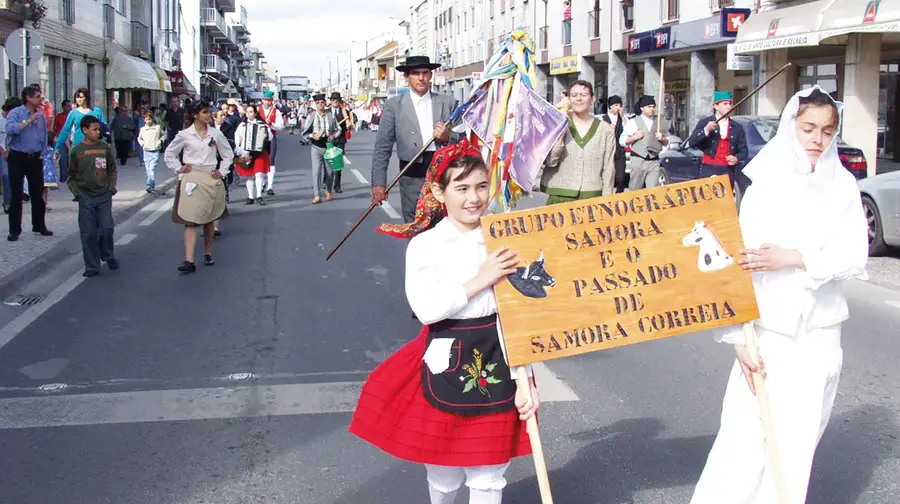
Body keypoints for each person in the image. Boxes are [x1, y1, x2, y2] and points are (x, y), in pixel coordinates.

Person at [689, 87, 868, 504]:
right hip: (766, 332)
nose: (816, 140)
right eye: (808, 128)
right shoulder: (766, 183)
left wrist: (796, 257)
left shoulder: (842, 184)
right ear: (792, 127)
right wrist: (736, 337)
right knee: (745, 437)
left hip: (818, 334)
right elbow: (735, 264)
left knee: (797, 442)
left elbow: (853, 256)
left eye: (826, 130)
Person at [349, 141, 539, 504]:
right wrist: (481, 278)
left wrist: (529, 378)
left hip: (501, 358)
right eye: (462, 188)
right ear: (439, 191)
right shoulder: (426, 245)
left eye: (482, 186)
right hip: (445, 359)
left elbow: (523, 314)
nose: (474, 198)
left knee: (488, 475)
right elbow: (427, 308)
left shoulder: (504, 238)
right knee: (443, 471)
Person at [370, 55, 459, 223]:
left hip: (444, 176)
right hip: (411, 176)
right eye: (415, 73)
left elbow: (464, 141)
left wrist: (448, 137)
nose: (421, 78)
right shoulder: (393, 106)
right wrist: (378, 184)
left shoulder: (448, 103)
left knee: (446, 227)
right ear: (406, 76)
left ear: (430, 75)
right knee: (415, 226)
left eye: (425, 73)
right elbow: (382, 147)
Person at [164, 101, 234, 274]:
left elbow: (228, 155)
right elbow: (169, 154)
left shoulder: (215, 134)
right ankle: (189, 260)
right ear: (195, 115)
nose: (208, 115)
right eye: (204, 113)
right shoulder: (184, 135)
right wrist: (179, 168)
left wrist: (221, 171)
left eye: (209, 112)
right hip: (192, 179)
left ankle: (208, 253)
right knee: (190, 220)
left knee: (209, 218)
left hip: (210, 177)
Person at [541, 80, 617, 204]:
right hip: (560, 195)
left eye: (583, 95)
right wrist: (561, 131)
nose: (579, 99)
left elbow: (608, 168)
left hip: (592, 196)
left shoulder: (606, 130)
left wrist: (607, 199)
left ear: (592, 99)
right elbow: (551, 161)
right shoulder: (557, 125)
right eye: (574, 95)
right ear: (569, 99)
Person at [67, 115, 119, 277]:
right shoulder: (77, 151)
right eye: (94, 129)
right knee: (88, 233)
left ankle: (107, 254)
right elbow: (71, 176)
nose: (98, 132)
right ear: (84, 130)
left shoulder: (104, 148)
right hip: (86, 196)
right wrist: (78, 193)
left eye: (98, 129)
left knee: (106, 228)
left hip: (104, 194)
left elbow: (112, 170)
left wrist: (111, 188)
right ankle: (92, 266)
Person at [6, 85, 53, 242]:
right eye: (38, 96)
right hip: (18, 156)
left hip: (34, 158)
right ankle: (14, 230)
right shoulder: (16, 113)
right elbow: (10, 129)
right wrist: (27, 121)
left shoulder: (41, 115)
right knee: (16, 193)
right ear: (28, 97)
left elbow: (44, 136)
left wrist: (43, 153)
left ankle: (39, 225)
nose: (40, 98)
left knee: (37, 192)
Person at [687, 90, 749, 195]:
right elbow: (692, 142)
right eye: (725, 104)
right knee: (709, 201)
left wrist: (736, 158)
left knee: (725, 202)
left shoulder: (737, 127)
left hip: (727, 170)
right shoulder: (706, 122)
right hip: (709, 169)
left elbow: (743, 150)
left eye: (730, 104)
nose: (728, 107)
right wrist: (706, 130)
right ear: (716, 106)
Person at [619, 95, 669, 190]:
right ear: (642, 108)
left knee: (652, 191)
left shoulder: (659, 122)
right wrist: (634, 137)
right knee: (635, 190)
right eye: (649, 107)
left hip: (654, 161)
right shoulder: (634, 121)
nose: (652, 109)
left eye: (653, 107)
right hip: (638, 160)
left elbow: (667, 142)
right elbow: (622, 140)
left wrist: (663, 139)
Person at [302, 93, 340, 204]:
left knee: (329, 172)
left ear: (325, 103)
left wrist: (333, 136)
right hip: (316, 146)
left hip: (328, 146)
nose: (320, 105)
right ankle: (317, 195)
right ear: (315, 104)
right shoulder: (312, 115)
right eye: (318, 103)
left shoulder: (330, 115)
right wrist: (312, 136)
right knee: (316, 172)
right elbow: (304, 132)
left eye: (322, 102)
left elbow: (338, 129)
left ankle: (328, 191)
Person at [234, 104, 272, 206]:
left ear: (255, 113)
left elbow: (270, 136)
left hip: (259, 152)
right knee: (249, 175)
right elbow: (237, 139)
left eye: (251, 112)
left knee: (259, 174)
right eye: (247, 112)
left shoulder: (262, 124)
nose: (249, 114)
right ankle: (250, 196)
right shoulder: (242, 125)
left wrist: (265, 136)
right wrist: (240, 143)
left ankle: (259, 195)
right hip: (246, 152)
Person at [258, 90, 284, 196]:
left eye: (269, 101)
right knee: (261, 161)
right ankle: (263, 182)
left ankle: (270, 187)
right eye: (266, 100)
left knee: (271, 160)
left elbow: (281, 126)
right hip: (259, 139)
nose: (268, 103)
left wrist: (272, 124)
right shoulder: (257, 110)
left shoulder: (276, 111)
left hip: (271, 138)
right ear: (262, 100)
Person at [600, 95, 627, 193]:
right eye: (616, 105)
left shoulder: (623, 118)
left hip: (620, 152)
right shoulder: (603, 119)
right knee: (608, 178)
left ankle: (619, 196)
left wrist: (623, 116)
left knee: (621, 178)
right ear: (610, 106)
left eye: (620, 105)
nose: (618, 107)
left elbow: (629, 129)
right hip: (607, 152)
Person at [329, 92, 354, 193]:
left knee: (338, 163)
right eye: (333, 99)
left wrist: (349, 124)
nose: (335, 101)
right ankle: (326, 181)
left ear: (339, 101)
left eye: (337, 100)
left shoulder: (345, 112)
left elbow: (353, 120)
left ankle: (337, 185)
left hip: (340, 140)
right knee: (329, 162)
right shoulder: (327, 112)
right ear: (330, 101)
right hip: (329, 139)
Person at [137, 111, 164, 194]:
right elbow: (139, 138)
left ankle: (149, 185)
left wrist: (160, 141)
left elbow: (163, 135)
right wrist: (143, 144)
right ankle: (152, 185)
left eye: (150, 119)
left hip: (155, 151)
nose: (148, 121)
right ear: (144, 120)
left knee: (151, 169)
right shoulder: (142, 129)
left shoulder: (157, 128)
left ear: (152, 119)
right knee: (148, 170)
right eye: (147, 119)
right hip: (146, 151)